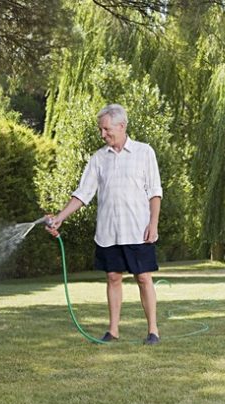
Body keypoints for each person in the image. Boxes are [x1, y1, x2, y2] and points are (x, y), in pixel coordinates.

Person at [46, 104, 163, 345]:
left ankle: (153, 331)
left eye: (106, 129)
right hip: (109, 232)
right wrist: (61, 216)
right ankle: (113, 330)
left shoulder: (144, 152)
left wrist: (154, 223)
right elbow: (83, 193)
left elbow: (155, 192)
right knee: (112, 277)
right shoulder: (99, 158)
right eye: (101, 130)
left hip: (138, 229)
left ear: (122, 126)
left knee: (143, 277)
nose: (103, 134)